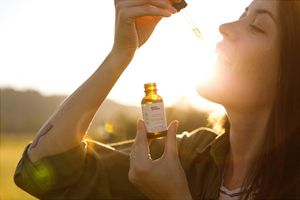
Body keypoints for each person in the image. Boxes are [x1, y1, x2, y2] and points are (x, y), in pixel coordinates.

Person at [14, 0, 300, 199]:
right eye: (243, 13)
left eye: (258, 26)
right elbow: (43, 165)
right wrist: (122, 53)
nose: (226, 26)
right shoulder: (189, 157)